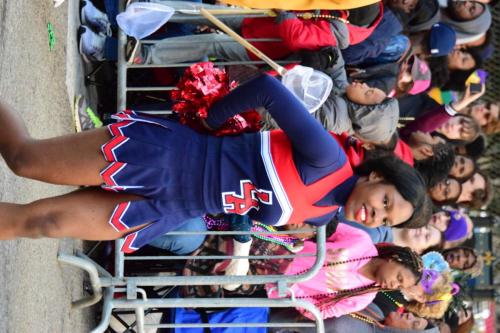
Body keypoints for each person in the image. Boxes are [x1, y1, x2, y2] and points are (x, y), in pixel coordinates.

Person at [0, 75, 429, 253]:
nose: (377, 212)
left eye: (387, 217)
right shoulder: (328, 158)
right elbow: (267, 89)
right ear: (377, 176)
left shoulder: (322, 217)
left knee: (45, 225)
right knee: (25, 158)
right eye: (386, 199)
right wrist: (210, 118)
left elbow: (243, 209)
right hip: (167, 158)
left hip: (168, 209)